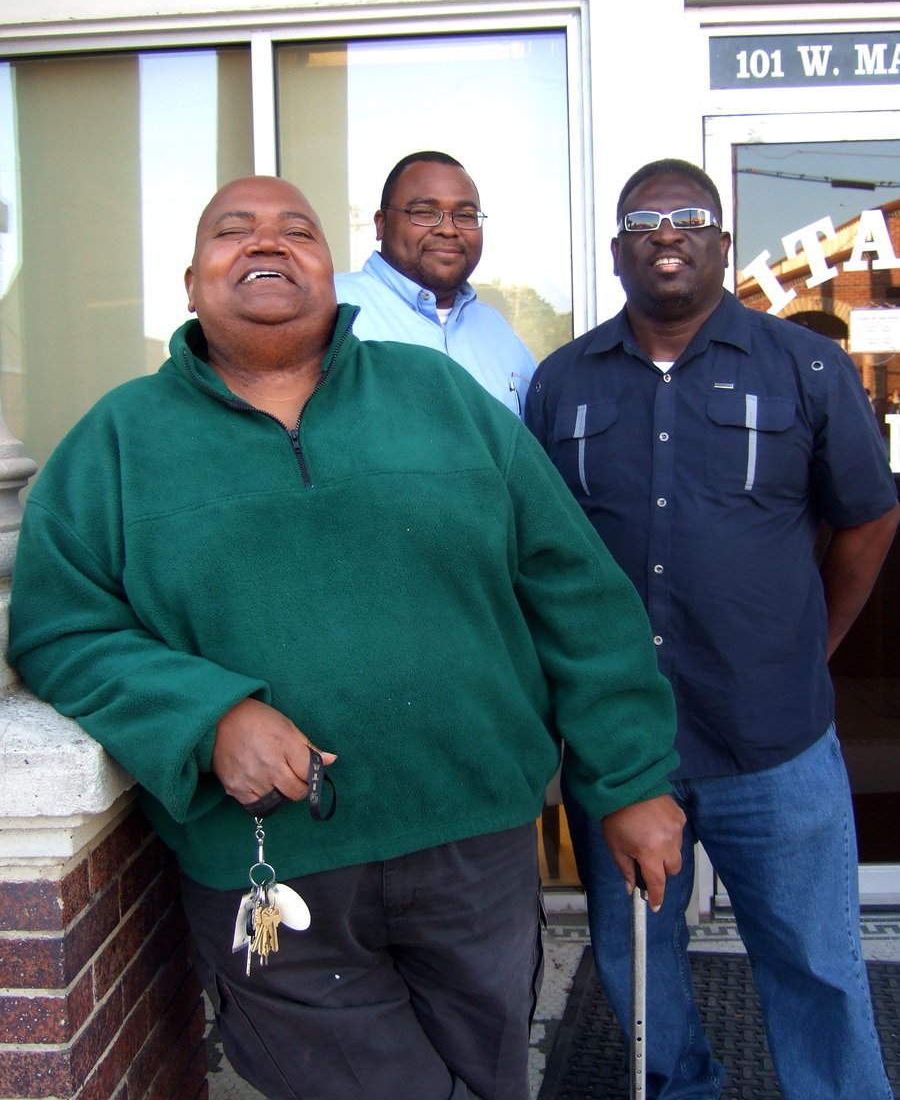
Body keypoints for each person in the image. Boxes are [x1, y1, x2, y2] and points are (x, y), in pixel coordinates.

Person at [8, 175, 685, 1100]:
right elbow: (59, 626)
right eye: (232, 232)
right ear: (191, 280)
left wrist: (632, 777)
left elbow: (576, 592)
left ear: (332, 272)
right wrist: (204, 718)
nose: (267, 244)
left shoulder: (440, 396)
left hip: (473, 837)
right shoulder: (119, 441)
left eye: (297, 231)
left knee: (490, 1074)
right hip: (268, 863)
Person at [525, 158, 900, 1100]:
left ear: (722, 244)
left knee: (814, 960)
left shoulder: (804, 366)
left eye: (690, 216)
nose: (667, 233)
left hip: (771, 737)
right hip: (624, 746)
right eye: (644, 221)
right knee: (636, 958)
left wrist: (810, 646)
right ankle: (680, 1087)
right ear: (616, 252)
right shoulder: (561, 384)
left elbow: (868, 518)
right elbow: (541, 554)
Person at [334, 150, 535, 414]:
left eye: (464, 216)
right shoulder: (329, 308)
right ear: (381, 225)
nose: (448, 229)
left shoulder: (499, 332)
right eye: (425, 212)